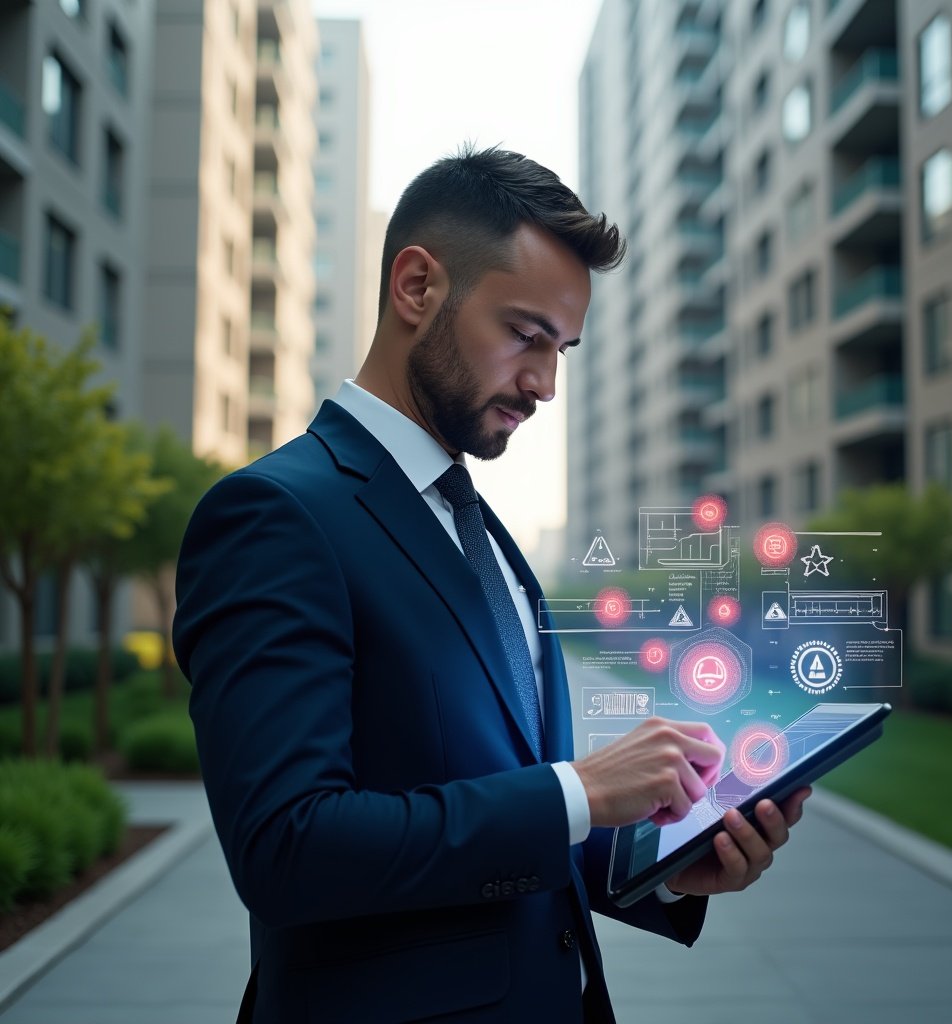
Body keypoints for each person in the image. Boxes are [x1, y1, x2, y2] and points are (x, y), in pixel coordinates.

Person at [173, 146, 810, 1024]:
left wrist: (657, 868)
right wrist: (582, 790)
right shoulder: (274, 517)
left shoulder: (490, 539)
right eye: (526, 335)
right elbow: (288, 850)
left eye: (563, 349)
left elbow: (502, 808)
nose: (547, 384)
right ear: (416, 287)